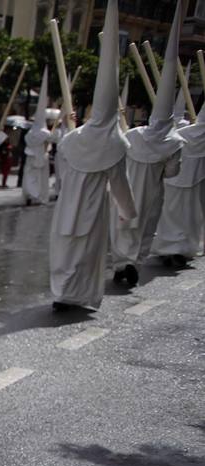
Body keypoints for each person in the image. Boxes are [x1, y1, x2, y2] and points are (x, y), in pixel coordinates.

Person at [49, 0, 136, 311]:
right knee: (84, 253)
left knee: (66, 250)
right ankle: (75, 296)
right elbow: (121, 185)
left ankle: (62, 291)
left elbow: (60, 170)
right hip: (91, 207)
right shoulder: (115, 144)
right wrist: (128, 211)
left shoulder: (72, 139)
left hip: (67, 205)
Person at [110, 0, 186, 288]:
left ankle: (120, 263)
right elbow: (171, 173)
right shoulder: (175, 141)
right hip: (152, 191)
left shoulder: (135, 134)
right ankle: (132, 264)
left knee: (124, 227)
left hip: (128, 189)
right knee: (143, 229)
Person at [151, 86, 205, 266]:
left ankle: (169, 248)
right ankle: (180, 248)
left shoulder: (178, 134)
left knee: (171, 216)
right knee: (187, 217)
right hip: (189, 182)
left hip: (174, 181)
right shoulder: (185, 134)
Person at [23, 70, 56, 206]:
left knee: (31, 177)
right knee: (40, 178)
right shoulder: (44, 132)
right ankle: (38, 196)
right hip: (41, 157)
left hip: (31, 156)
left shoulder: (30, 132)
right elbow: (55, 139)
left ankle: (31, 194)